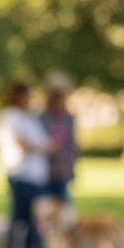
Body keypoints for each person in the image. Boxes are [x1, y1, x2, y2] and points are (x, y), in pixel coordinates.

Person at [0, 82, 54, 248]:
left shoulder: (27, 118)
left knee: (33, 223)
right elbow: (21, 143)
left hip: (35, 177)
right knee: (19, 221)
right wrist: (44, 147)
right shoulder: (10, 116)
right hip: (22, 175)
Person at [41, 72, 77, 205]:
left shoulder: (68, 118)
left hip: (62, 170)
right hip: (44, 171)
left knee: (64, 208)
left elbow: (71, 145)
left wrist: (72, 170)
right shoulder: (41, 117)